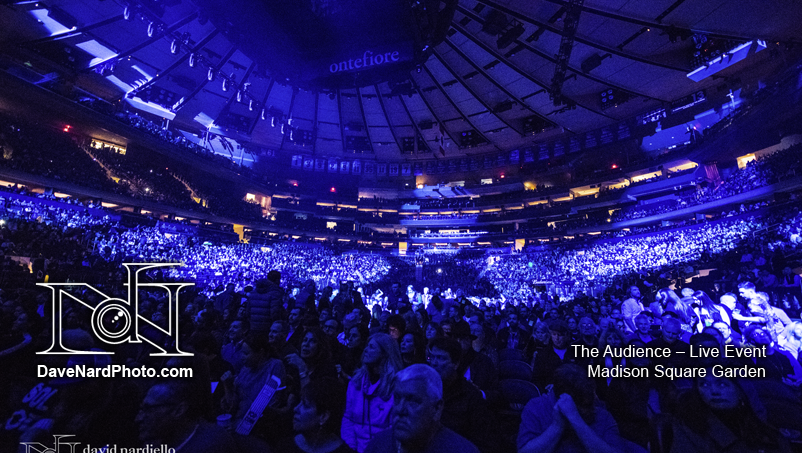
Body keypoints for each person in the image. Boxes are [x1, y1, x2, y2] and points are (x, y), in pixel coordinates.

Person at [363, 364, 480, 453]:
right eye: (397, 399)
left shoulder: (461, 450)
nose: (400, 409)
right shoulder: (378, 444)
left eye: (413, 401)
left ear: (437, 408)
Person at [667, 373, 787, 453]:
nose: (714, 391)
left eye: (722, 384)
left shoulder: (764, 430)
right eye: (704, 384)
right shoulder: (690, 426)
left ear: (741, 391)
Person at [518, 364, 623, 453]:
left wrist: (575, 419)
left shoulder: (602, 415)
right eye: (584, 405)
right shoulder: (536, 407)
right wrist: (557, 426)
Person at [427, 337, 497, 453]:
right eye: (432, 357)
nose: (434, 363)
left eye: (441, 358)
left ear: (456, 364)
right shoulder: (424, 389)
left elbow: (483, 440)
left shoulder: (470, 396)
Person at [341, 333, 403, 452]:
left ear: (385, 353)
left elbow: (394, 427)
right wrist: (350, 448)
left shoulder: (396, 385)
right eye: (367, 346)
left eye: (371, 347)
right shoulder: (356, 382)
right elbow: (348, 418)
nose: (365, 350)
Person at [136, 382, 239, 453]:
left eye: (148, 409)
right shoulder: (154, 443)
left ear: (179, 410)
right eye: (141, 409)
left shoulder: (212, 445)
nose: (138, 418)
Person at [275, 377, 356, 453]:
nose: (295, 409)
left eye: (305, 405)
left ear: (323, 416)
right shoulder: (285, 446)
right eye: (300, 402)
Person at [248, 271, 285, 335]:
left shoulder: (254, 292)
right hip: (268, 329)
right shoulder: (275, 293)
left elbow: (248, 311)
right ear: (277, 280)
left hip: (253, 327)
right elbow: (275, 313)